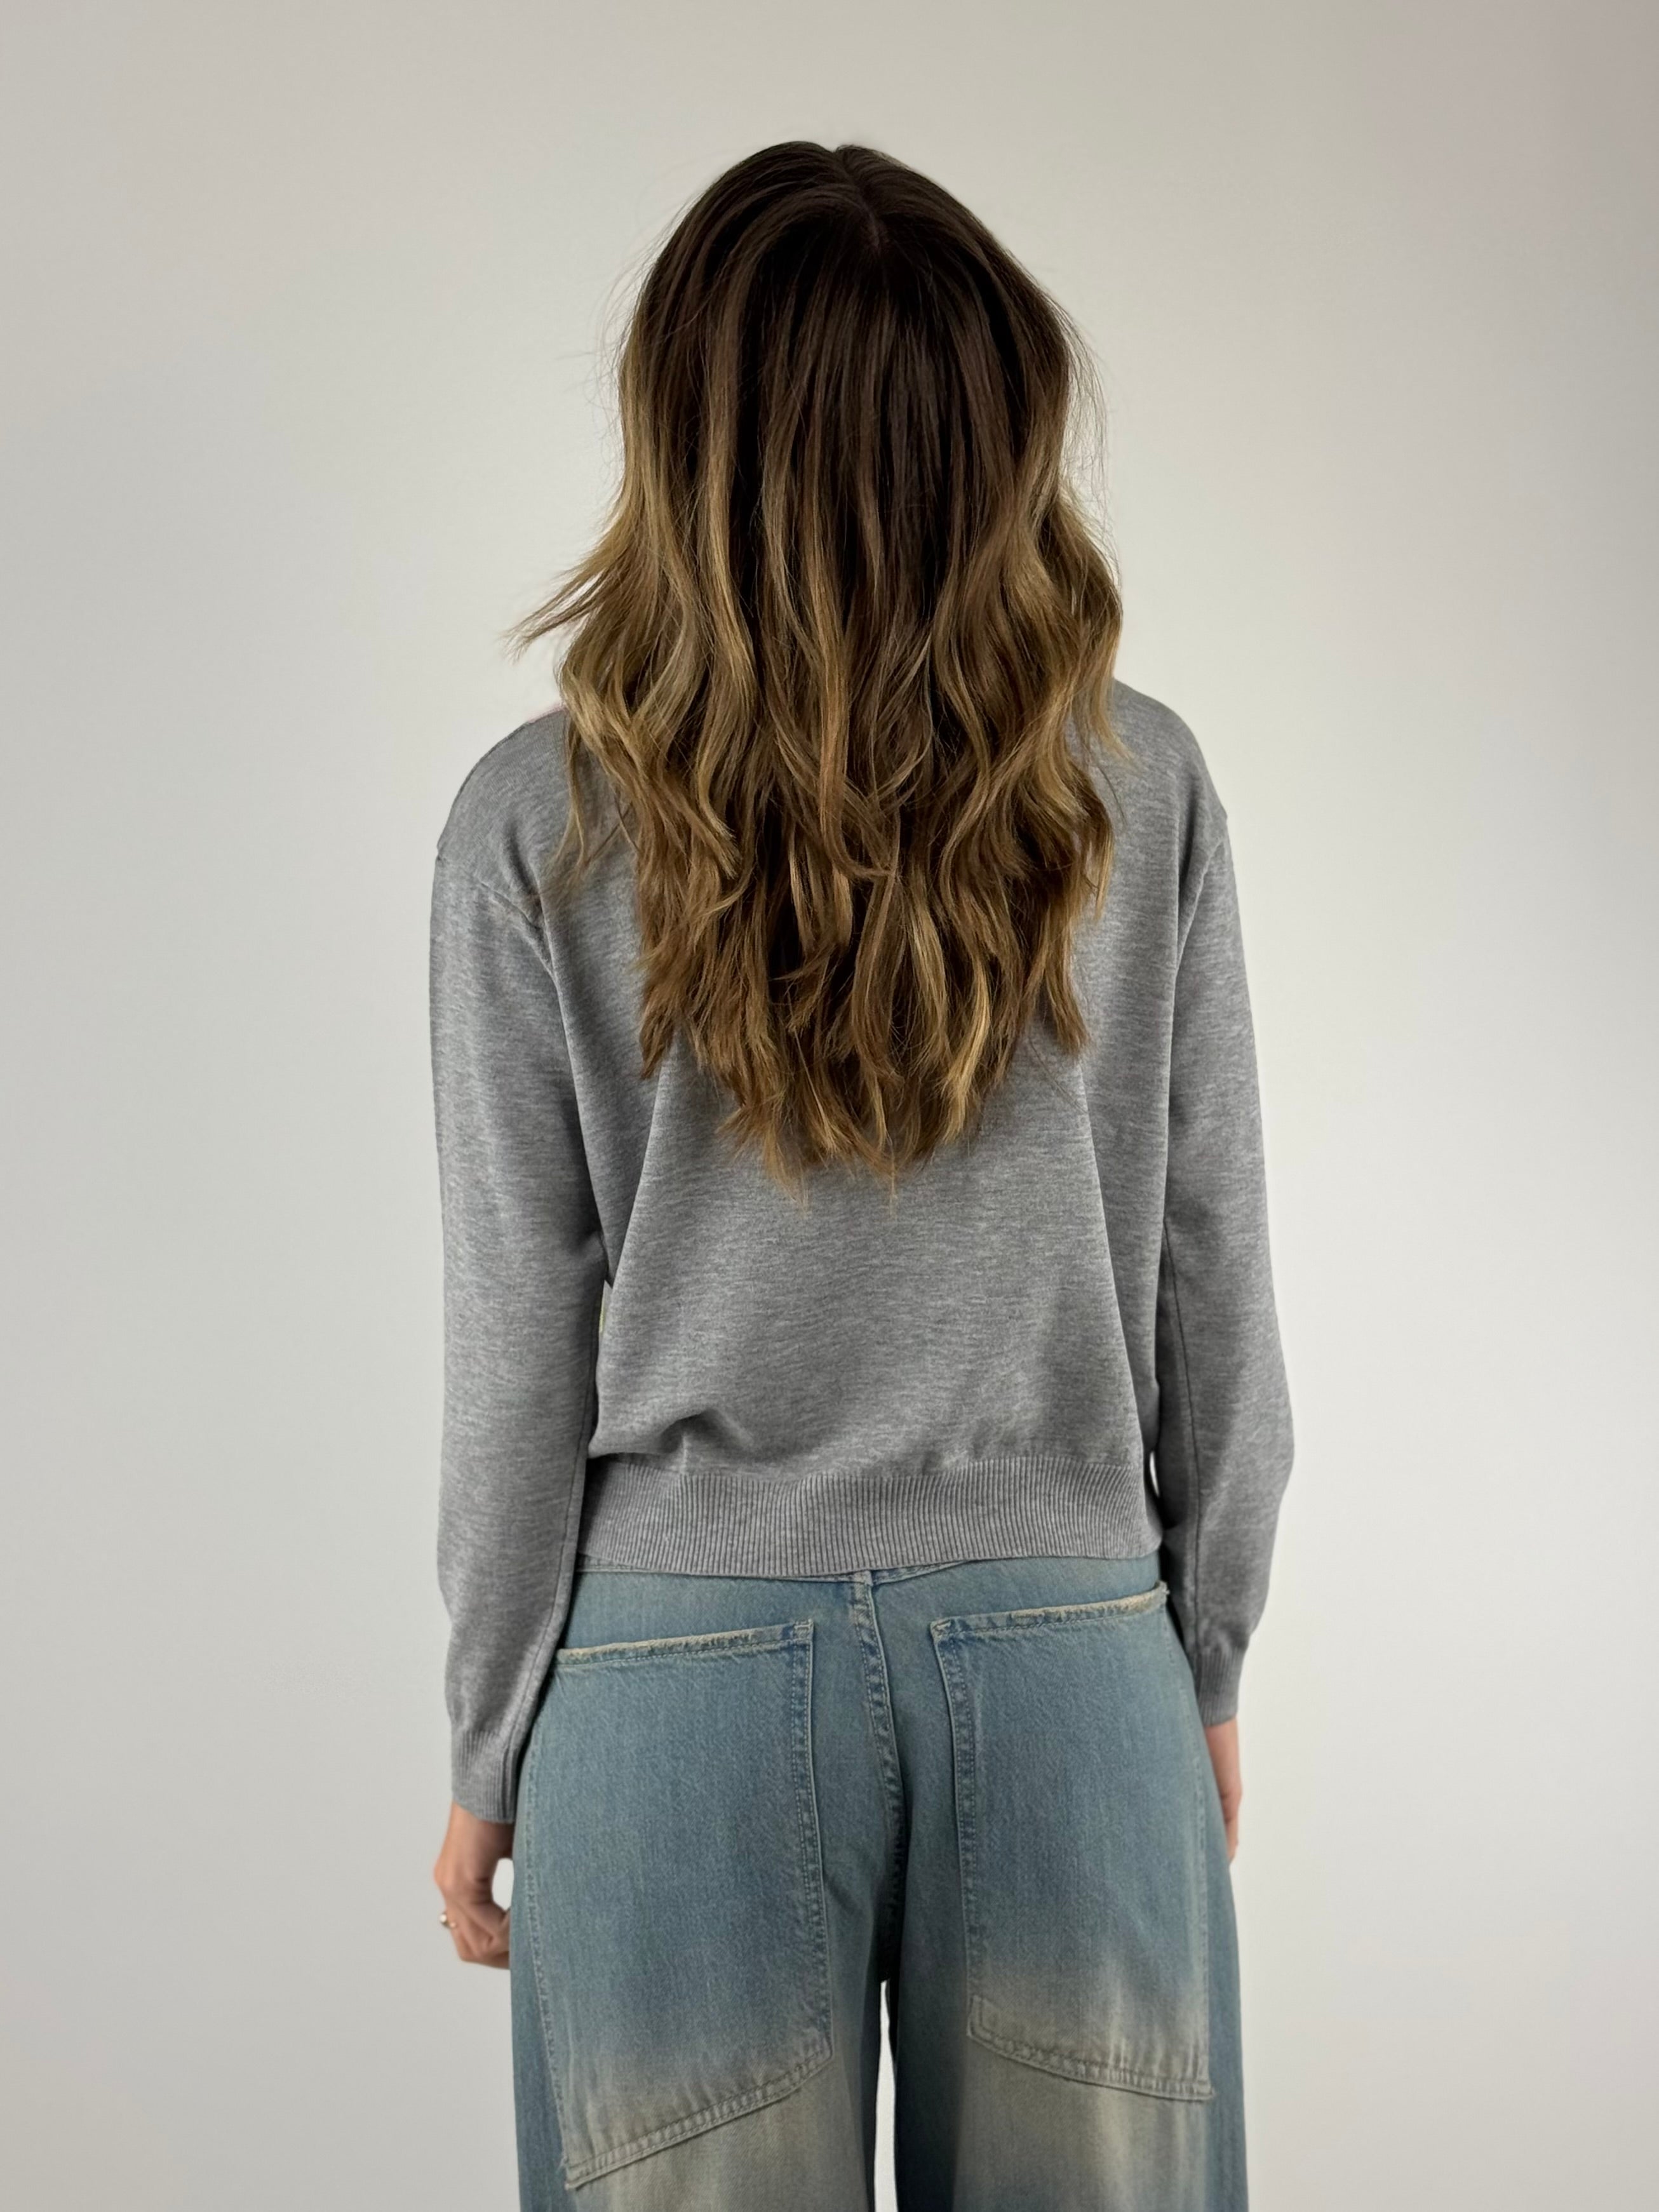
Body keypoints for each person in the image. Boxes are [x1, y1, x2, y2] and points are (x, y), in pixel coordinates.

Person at [427, 140, 1294, 2212]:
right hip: (1071, 1650)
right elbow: (1212, 1270)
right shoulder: (1139, 786)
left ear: (684, 436)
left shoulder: (532, 826)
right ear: (999, 433)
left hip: (669, 1689)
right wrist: (1196, 1655)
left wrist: (488, 1742)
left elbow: (517, 1343)